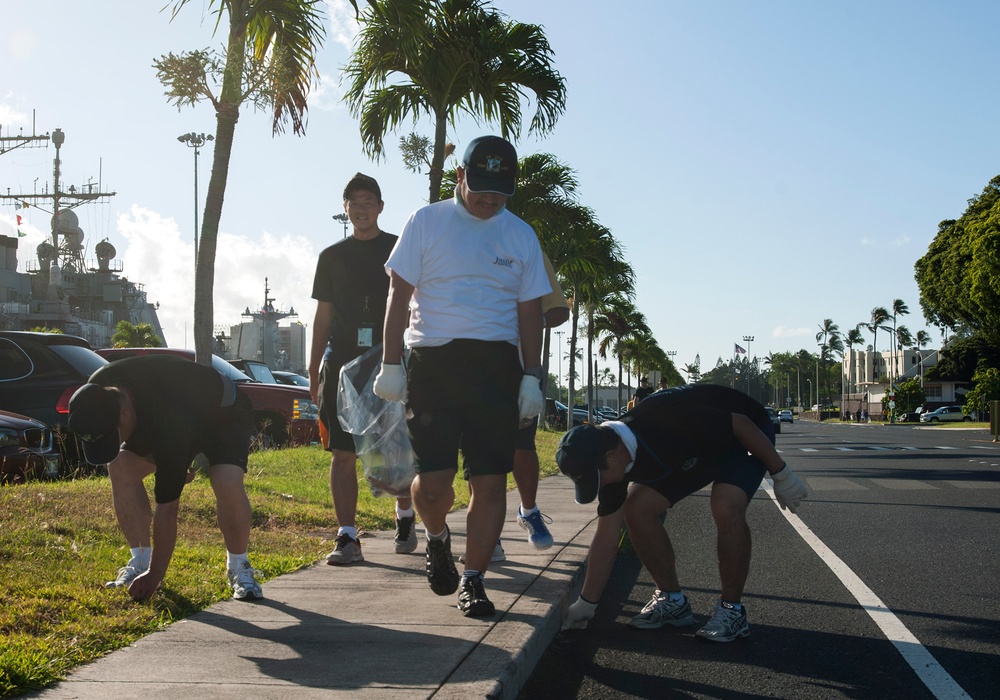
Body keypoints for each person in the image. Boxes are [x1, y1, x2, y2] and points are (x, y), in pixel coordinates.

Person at [374, 135, 550, 617]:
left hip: (497, 368)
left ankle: (474, 579)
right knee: (433, 486)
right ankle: (436, 536)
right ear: (460, 177)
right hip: (435, 364)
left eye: (500, 193)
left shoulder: (520, 235)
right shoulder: (426, 221)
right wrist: (392, 361)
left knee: (490, 483)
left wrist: (531, 376)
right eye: (481, 190)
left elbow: (530, 313)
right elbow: (398, 294)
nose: (490, 201)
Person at [557, 385, 809, 641]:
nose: (601, 487)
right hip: (695, 452)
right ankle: (671, 602)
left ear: (612, 457)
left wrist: (781, 473)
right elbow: (606, 538)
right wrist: (587, 603)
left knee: (725, 504)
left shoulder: (664, 417)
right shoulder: (611, 460)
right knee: (636, 509)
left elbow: (742, 425)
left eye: (596, 480)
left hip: (742, 435)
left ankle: (732, 611)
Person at [67, 355, 263, 601]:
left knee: (225, 479)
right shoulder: (97, 391)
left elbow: (168, 509)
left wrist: (156, 574)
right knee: (120, 466)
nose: (114, 442)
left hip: (224, 412)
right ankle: (139, 560)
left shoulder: (166, 418)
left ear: (124, 412)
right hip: (178, 413)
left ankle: (240, 567)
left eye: (112, 435)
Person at [309, 173, 417, 565]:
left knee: (396, 445)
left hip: (389, 357)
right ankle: (348, 536)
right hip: (342, 366)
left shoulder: (397, 249)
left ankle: (405, 515)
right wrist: (312, 369)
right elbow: (323, 315)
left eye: (369, 201)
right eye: (354, 202)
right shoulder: (332, 257)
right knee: (343, 451)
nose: (361, 208)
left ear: (381, 207)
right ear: (345, 208)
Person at [510, 253, 570, 554]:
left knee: (522, 447)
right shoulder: (451, 239)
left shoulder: (525, 245)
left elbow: (560, 310)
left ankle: (528, 511)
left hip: (520, 369)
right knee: (479, 455)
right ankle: (486, 531)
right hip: (471, 369)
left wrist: (530, 323)